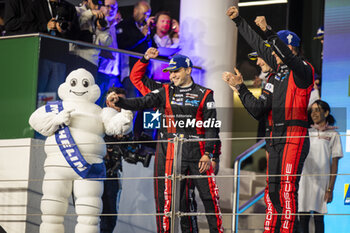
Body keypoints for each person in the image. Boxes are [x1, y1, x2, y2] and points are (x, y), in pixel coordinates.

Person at [107, 54, 223, 233]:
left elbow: (212, 127)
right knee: (167, 199)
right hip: (170, 153)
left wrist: (211, 154)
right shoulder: (165, 90)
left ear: (188, 70)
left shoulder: (205, 94)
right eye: (170, 72)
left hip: (198, 154)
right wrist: (121, 102)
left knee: (208, 198)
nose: (172, 75)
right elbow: (141, 101)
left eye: (176, 71)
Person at [225, 6, 314, 233]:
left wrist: (269, 32)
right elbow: (257, 110)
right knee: (272, 191)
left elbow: (284, 55)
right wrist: (239, 21)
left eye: (275, 51)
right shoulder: (276, 74)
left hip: (294, 136)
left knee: (285, 190)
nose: (270, 55)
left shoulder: (303, 70)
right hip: (274, 137)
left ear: (289, 48)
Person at [29, 68, 133, 233]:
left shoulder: (101, 112)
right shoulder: (54, 108)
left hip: (89, 167)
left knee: (89, 216)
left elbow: (115, 126)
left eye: (84, 83)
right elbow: (35, 120)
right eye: (74, 83)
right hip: (57, 168)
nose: (79, 86)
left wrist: (125, 117)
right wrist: (56, 119)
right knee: (51, 212)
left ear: (92, 88)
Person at [298, 100, 343, 233]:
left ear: (326, 112)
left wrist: (330, 189)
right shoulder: (306, 132)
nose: (314, 113)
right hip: (304, 181)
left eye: (317, 110)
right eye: (312, 110)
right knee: (303, 217)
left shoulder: (333, 134)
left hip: (322, 182)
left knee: (318, 218)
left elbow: (334, 163)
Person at [100, 87, 133, 233]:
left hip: (115, 174)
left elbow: (129, 149)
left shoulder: (127, 125)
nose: (119, 104)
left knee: (111, 215)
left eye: (122, 101)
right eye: (115, 100)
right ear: (108, 103)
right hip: (98, 172)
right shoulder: (99, 119)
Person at [71, 0, 113, 76]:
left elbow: (107, 42)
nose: (97, 7)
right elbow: (75, 27)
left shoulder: (101, 16)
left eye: (99, 5)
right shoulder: (77, 10)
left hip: (93, 61)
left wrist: (102, 30)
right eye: (95, 3)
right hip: (77, 57)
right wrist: (90, 13)